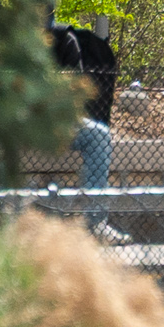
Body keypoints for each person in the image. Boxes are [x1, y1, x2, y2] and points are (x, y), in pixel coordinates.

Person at [49, 15, 120, 196]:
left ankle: (94, 218)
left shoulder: (65, 40)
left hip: (60, 123)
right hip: (19, 124)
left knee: (99, 135)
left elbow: (75, 92)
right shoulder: (13, 42)